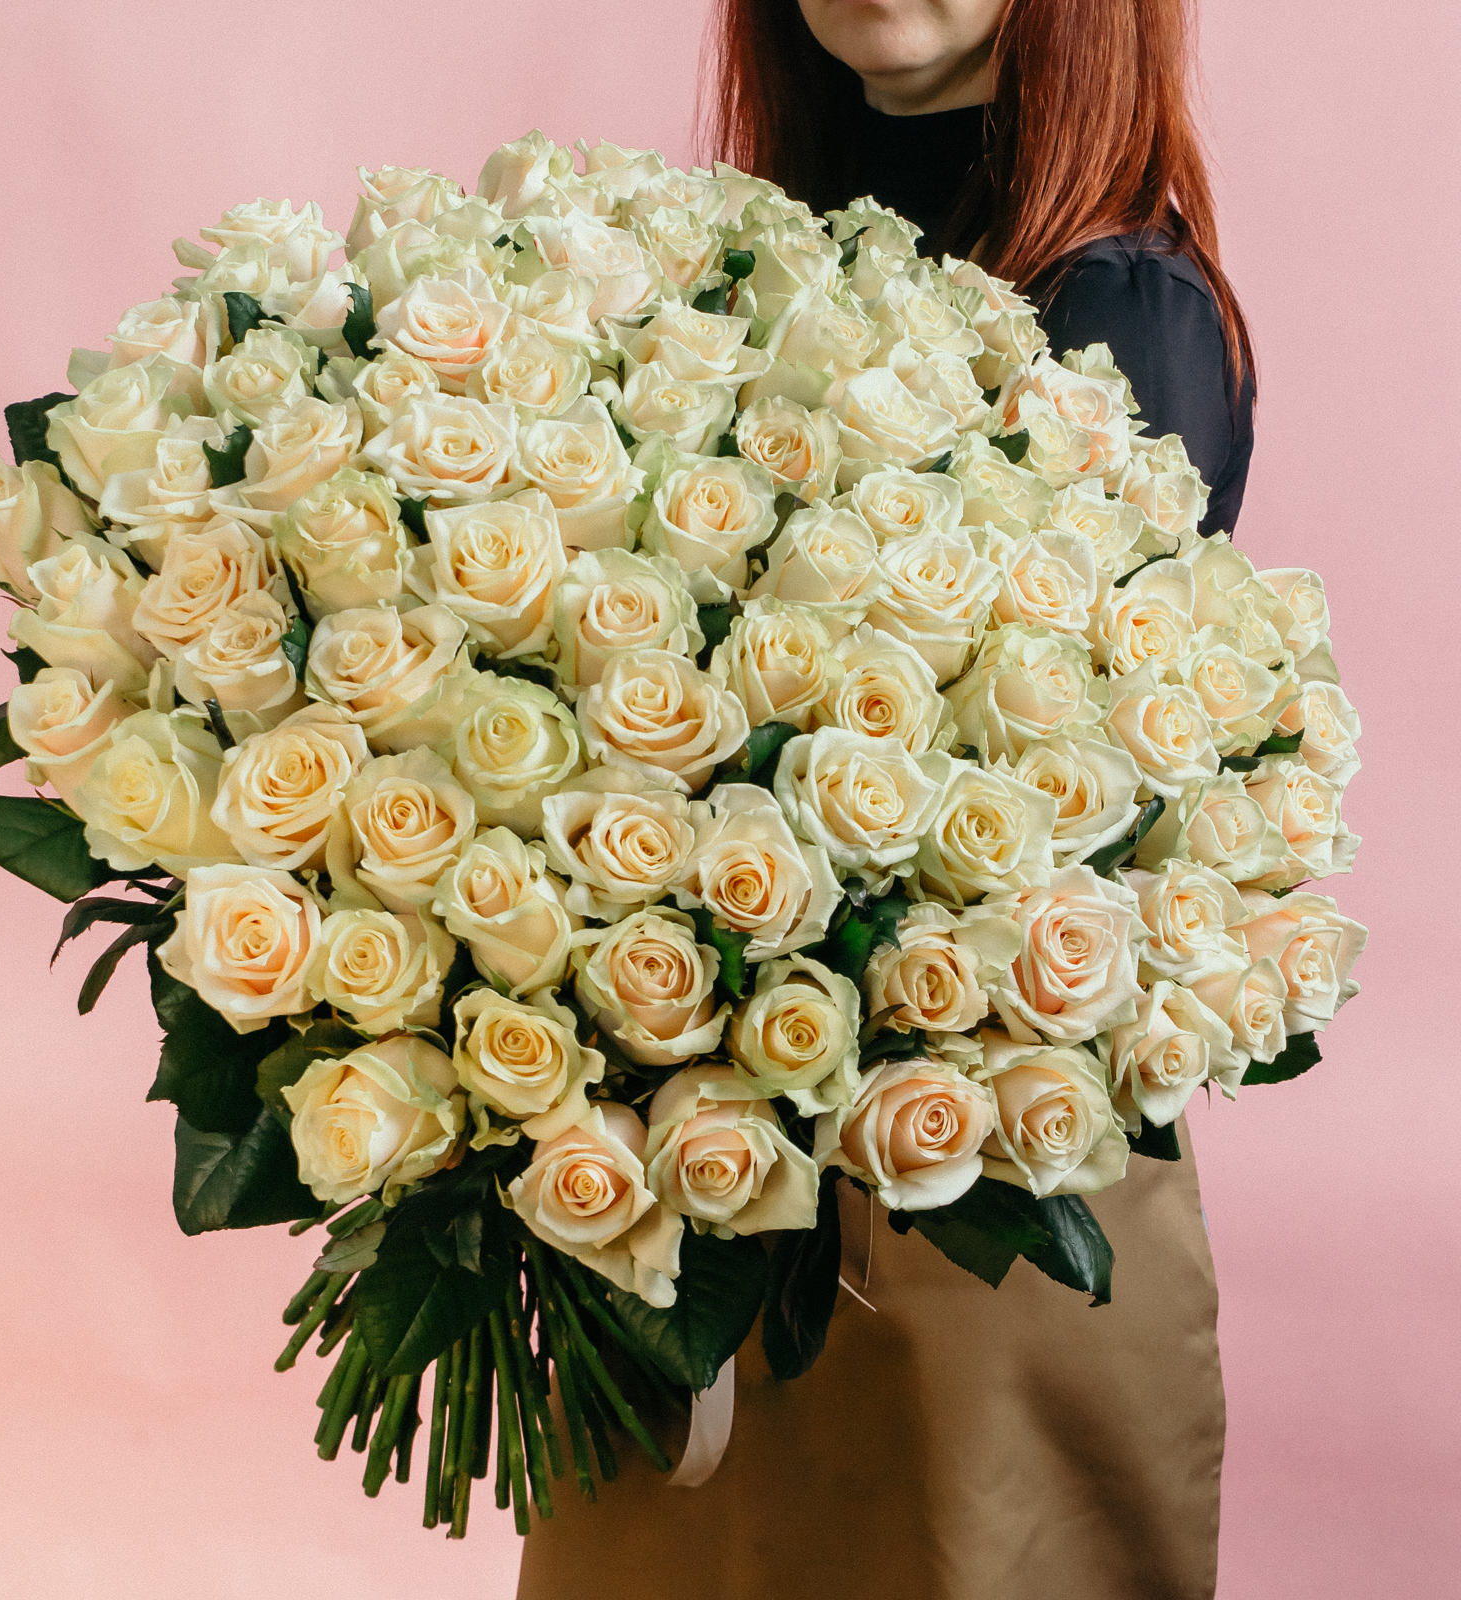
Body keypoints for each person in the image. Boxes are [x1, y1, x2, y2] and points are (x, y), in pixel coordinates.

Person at [517, 4, 1248, 1596]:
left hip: (970, 1185)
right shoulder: (738, 258)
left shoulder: (1115, 298)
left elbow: (1078, 784)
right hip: (698, 1165)